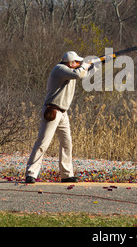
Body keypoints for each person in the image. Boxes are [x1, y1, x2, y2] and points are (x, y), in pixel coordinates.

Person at [25, 51, 92, 184]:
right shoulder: (60, 69)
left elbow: (83, 73)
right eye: (76, 62)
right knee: (42, 143)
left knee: (67, 143)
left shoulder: (71, 70)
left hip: (63, 113)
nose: (78, 64)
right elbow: (79, 73)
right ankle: (31, 173)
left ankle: (66, 174)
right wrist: (84, 66)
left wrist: (90, 66)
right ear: (71, 63)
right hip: (52, 111)